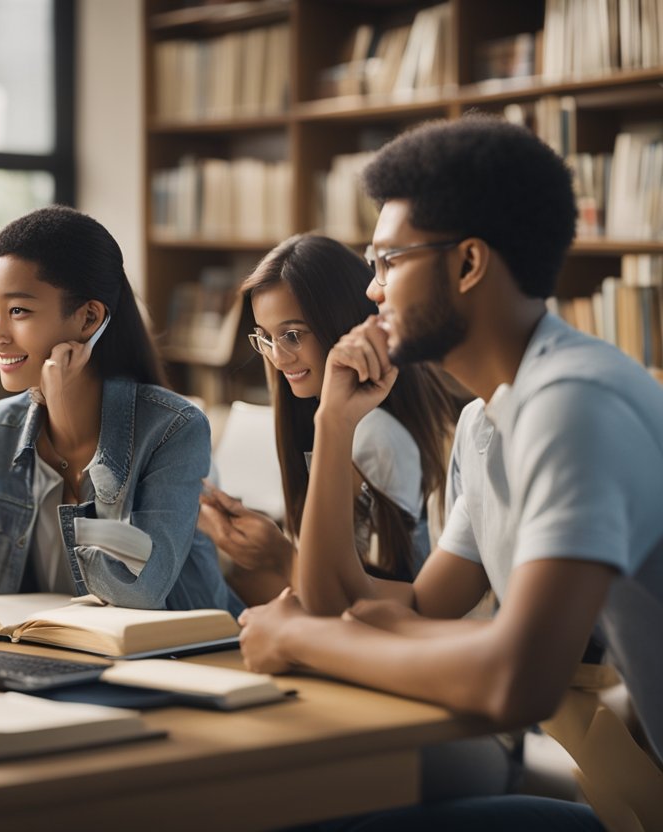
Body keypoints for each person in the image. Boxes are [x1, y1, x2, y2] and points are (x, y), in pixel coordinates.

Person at [239, 115, 663, 828]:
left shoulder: (574, 405)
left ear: (468, 264)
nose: (372, 292)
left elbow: (517, 681)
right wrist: (333, 425)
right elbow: (414, 608)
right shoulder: (486, 423)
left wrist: (303, 638)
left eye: (390, 263)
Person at [0, 205, 242, 614]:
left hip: (181, 659)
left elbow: (137, 590)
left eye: (18, 311)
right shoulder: (2, 426)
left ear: (88, 318)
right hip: (50, 649)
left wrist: (71, 423)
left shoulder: (174, 429)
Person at [198, 234, 457, 606]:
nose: (278, 357)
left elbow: (350, 602)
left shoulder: (373, 436)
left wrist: (280, 556)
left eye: (291, 335)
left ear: (340, 322)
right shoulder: (327, 417)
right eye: (265, 338)